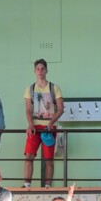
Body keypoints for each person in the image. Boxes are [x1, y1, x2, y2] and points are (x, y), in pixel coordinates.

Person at [24, 59, 64, 188]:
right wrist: (30, 124)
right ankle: (27, 185)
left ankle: (48, 186)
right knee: (29, 155)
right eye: (38, 69)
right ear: (34, 71)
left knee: (48, 159)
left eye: (42, 69)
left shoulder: (54, 88)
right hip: (35, 127)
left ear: (46, 70)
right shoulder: (30, 89)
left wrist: (51, 122)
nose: (40, 71)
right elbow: (28, 109)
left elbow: (61, 108)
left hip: (49, 128)